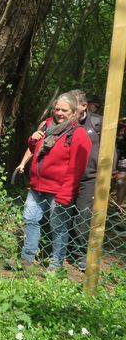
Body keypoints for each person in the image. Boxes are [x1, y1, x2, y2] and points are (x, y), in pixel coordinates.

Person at [18, 92, 91, 271]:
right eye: (57, 109)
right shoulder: (47, 125)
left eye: (64, 110)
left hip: (58, 190)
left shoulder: (78, 134)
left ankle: (55, 265)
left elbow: (76, 168)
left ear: (74, 112)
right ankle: (27, 259)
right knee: (30, 219)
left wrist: (66, 194)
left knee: (58, 227)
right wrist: (32, 140)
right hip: (37, 186)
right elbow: (38, 151)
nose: (59, 113)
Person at [67, 90, 103, 270]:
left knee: (82, 215)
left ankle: (81, 253)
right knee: (63, 213)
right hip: (66, 176)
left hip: (89, 178)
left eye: (73, 104)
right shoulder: (64, 122)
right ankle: (61, 249)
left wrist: (106, 174)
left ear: (83, 106)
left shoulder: (97, 122)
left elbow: (110, 149)